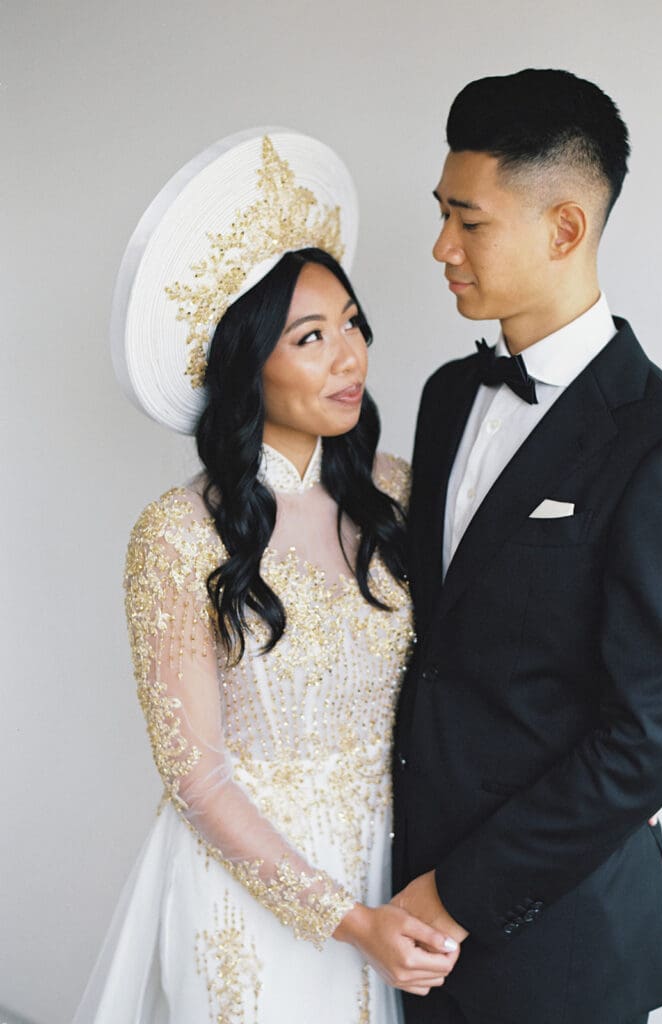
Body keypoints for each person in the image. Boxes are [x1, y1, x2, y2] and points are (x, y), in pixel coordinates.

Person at [73, 130, 457, 1024]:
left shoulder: (395, 492)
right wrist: (344, 919)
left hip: (398, 863)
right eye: (310, 337)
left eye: (352, 325)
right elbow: (196, 777)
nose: (349, 355)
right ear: (249, 363)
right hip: (254, 886)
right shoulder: (178, 534)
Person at [391, 69, 662, 1024]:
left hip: (559, 946)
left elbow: (650, 742)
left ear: (563, 229)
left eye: (469, 222)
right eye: (441, 216)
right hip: (404, 919)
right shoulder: (445, 398)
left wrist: (458, 893)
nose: (441, 248)